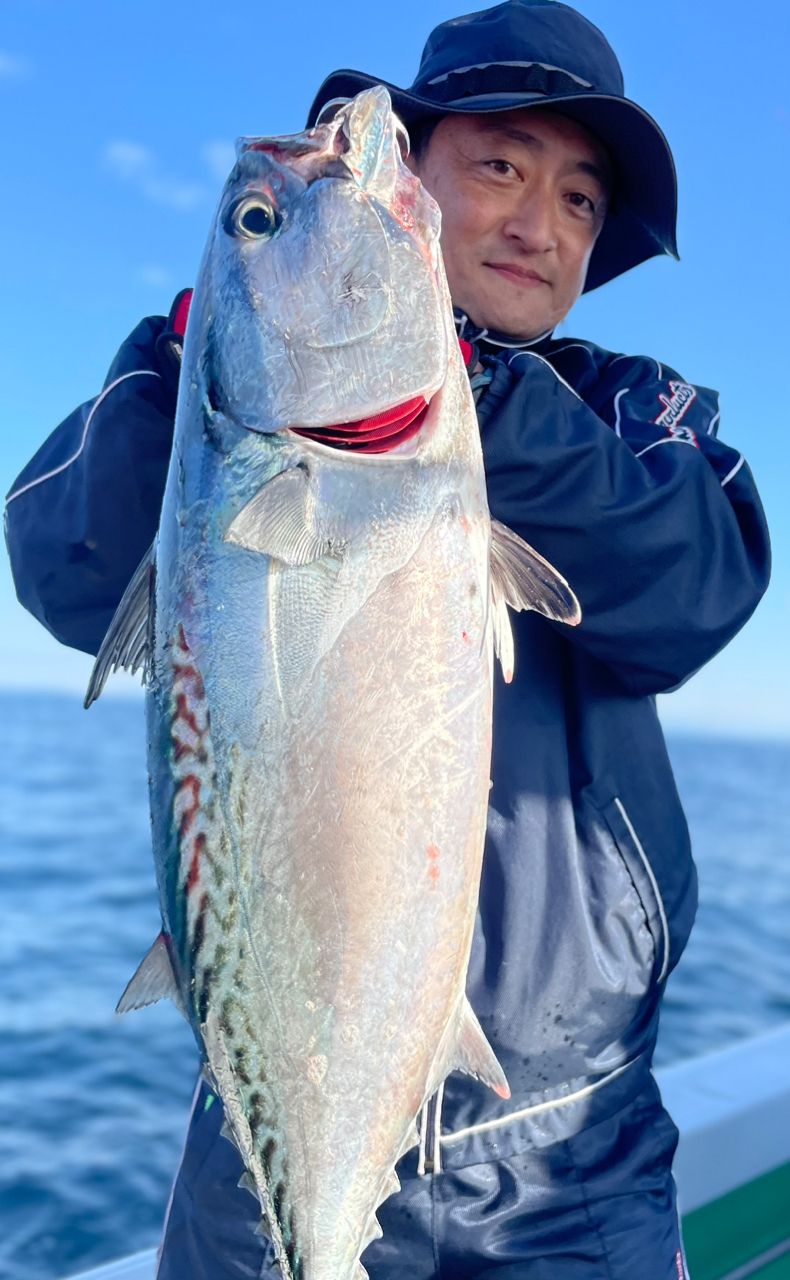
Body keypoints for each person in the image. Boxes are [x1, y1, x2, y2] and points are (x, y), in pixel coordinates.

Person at [4, 2, 770, 1277]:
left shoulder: (627, 412)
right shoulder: (209, 388)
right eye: (501, 165)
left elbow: (699, 579)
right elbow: (65, 568)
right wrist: (196, 362)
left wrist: (460, 391)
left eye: (581, 200)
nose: (541, 222)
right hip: (274, 1109)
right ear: (409, 180)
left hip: (572, 1165)